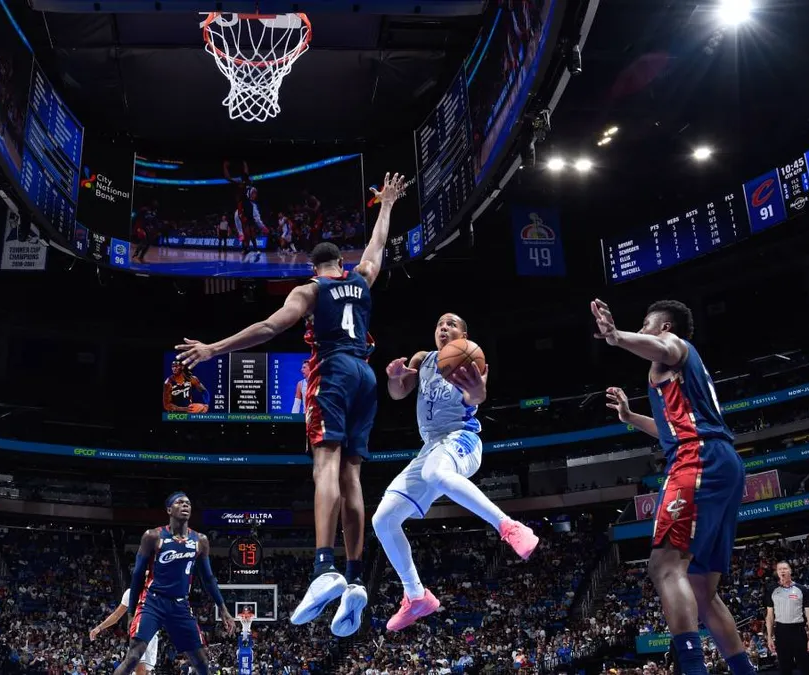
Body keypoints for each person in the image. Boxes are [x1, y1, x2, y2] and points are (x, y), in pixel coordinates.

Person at [176, 172, 409, 637]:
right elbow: (377, 247)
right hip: (365, 376)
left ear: (312, 267)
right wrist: (386, 205)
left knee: (325, 468)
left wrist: (213, 348)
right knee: (352, 477)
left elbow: (268, 328)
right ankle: (355, 577)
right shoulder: (362, 278)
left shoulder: (309, 291)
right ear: (340, 262)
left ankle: (324, 567)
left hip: (333, 372)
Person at [591, 298, 755, 675]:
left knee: (664, 565)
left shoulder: (675, 347)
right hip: (720, 461)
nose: (642, 329)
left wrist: (616, 336)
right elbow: (669, 431)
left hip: (697, 458)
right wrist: (630, 417)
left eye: (646, 324)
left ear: (665, 328)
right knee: (702, 590)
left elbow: (664, 347)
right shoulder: (674, 378)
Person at [375, 313, 538, 631]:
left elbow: (476, 397)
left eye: (451, 324)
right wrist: (394, 378)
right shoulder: (423, 359)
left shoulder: (470, 360)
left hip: (462, 437)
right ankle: (417, 596)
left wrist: (478, 390)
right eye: (439, 324)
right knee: (383, 520)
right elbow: (398, 393)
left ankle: (509, 527)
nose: (443, 328)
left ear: (464, 335)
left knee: (435, 473)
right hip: (431, 448)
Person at [116, 492, 235, 675]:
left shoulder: (200, 540)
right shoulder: (153, 536)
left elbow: (208, 578)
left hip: (180, 604)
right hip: (152, 602)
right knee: (133, 656)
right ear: (169, 510)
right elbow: (138, 576)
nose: (185, 505)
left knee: (201, 661)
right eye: (179, 502)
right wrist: (131, 612)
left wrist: (223, 609)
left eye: (188, 503)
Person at [765, 561, 809, 675]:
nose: (782, 571)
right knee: (784, 668)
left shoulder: (802, 589)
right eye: (779, 569)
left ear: (790, 571)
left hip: (798, 631)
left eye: (785, 568)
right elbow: (769, 616)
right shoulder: (772, 590)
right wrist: (769, 637)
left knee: (806, 667)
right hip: (781, 631)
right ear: (777, 572)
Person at [90, 590, 159, 674]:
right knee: (140, 670)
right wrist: (99, 627)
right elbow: (117, 615)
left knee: (146, 672)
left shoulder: (158, 591)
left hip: (152, 635)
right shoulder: (130, 593)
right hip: (137, 633)